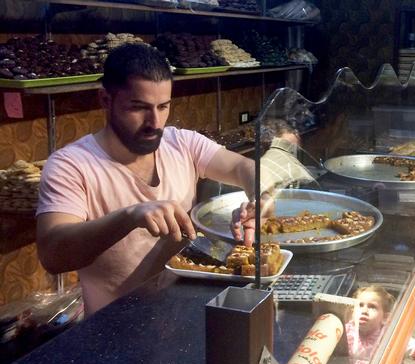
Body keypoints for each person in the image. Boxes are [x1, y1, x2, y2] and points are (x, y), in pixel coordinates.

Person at [36, 43, 258, 315]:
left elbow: (243, 167)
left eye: (163, 106)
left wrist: (258, 196)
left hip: (184, 310)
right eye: (139, 107)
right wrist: (130, 216)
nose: (155, 122)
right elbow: (52, 254)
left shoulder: (182, 143)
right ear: (106, 100)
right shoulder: (71, 165)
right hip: (116, 328)